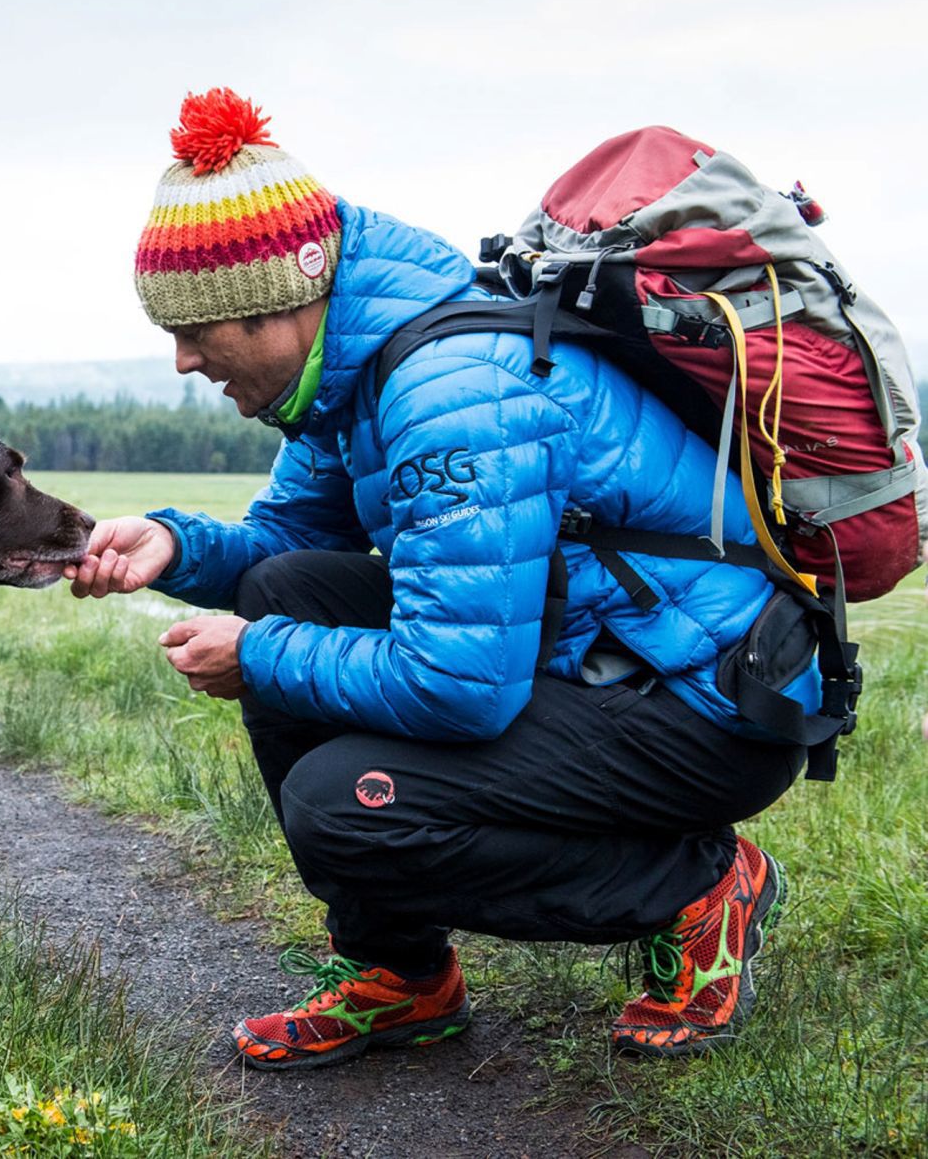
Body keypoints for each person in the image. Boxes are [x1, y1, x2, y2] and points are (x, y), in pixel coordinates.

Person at [65, 87, 819, 1069]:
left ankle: (696, 885)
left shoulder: (449, 394)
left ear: (280, 303)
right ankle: (402, 979)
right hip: (588, 656)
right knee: (285, 588)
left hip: (702, 704)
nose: (180, 359)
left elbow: (456, 684)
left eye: (197, 329)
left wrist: (257, 656)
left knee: (340, 804)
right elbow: (283, 553)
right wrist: (172, 545)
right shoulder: (350, 373)